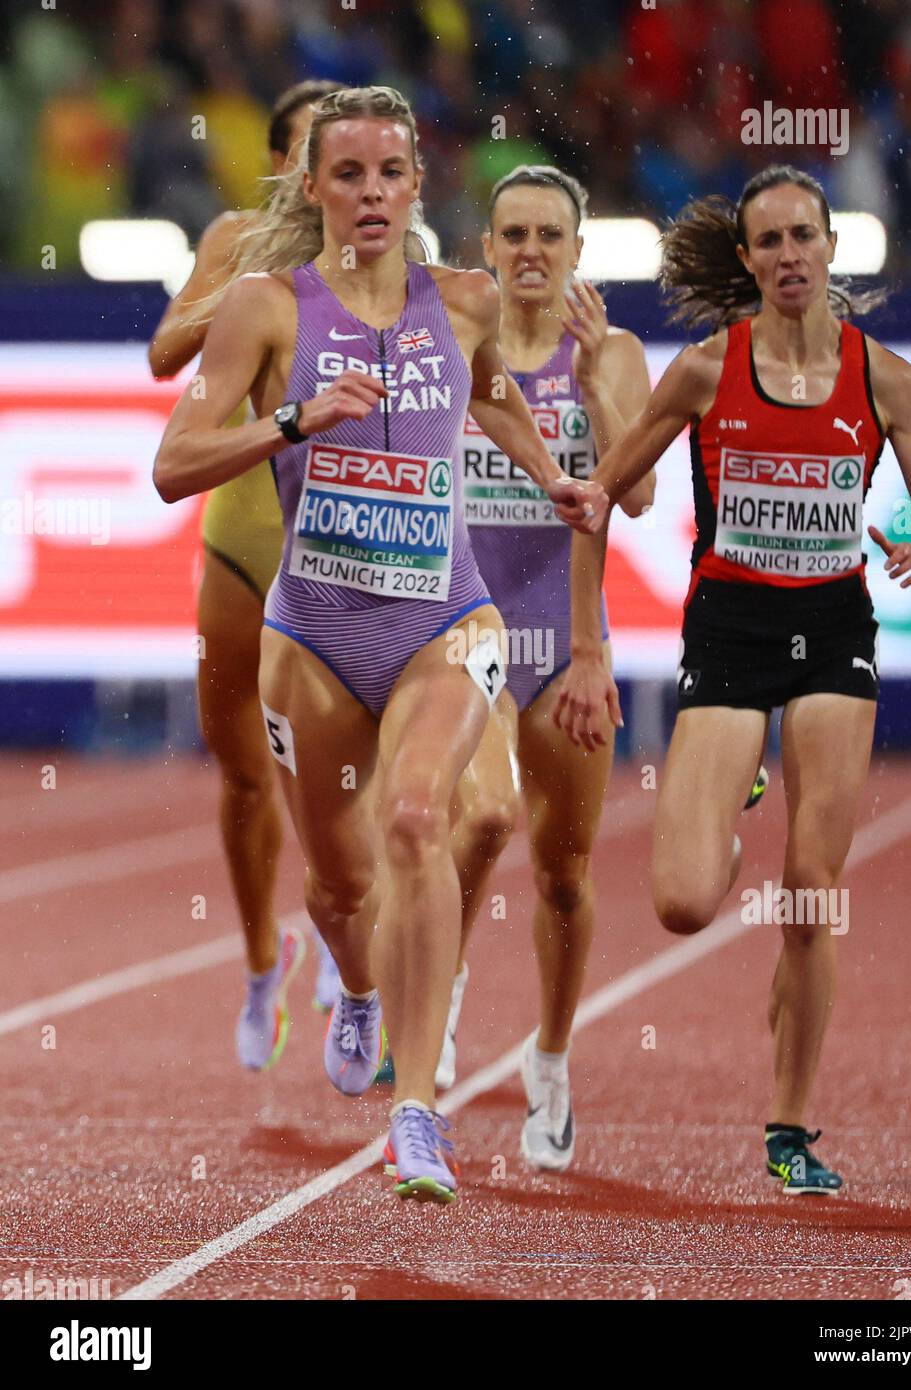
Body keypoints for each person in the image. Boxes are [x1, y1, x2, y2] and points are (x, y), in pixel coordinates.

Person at [152, 86, 607, 1204]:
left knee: (417, 818)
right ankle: (353, 989)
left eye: (389, 174)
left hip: (441, 621)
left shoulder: (460, 301)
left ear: (417, 186)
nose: (370, 194)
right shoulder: (267, 307)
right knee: (342, 893)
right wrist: (295, 422)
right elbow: (174, 462)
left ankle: (417, 1115)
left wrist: (552, 474)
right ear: (312, 188)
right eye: (346, 174)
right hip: (312, 631)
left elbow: (496, 395)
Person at [555, 165, 911, 1194]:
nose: (789, 255)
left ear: (833, 249)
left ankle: (791, 1129)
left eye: (804, 236)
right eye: (770, 242)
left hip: (834, 629)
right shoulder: (703, 370)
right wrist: (587, 626)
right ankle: (733, 791)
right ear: (747, 262)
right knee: (688, 901)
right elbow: (602, 498)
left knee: (812, 895)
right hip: (733, 631)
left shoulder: (886, 378)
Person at [436, 165, 654, 1171]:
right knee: (479, 821)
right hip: (464, 628)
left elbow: (638, 498)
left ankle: (552, 1063)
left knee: (564, 878)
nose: (529, 251)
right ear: (485, 249)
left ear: (577, 253)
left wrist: (594, 381)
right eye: (512, 234)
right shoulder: (447, 346)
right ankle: (437, 994)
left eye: (548, 237)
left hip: (566, 639)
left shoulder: (611, 356)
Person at [149, 80, 350, 1073]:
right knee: (242, 771)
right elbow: (163, 353)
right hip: (244, 529)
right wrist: (243, 293)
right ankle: (261, 963)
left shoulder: (391, 252)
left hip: (346, 539)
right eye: (322, 152)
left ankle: (342, 927)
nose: (344, 177)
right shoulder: (235, 237)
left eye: (362, 159)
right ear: (286, 163)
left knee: (335, 764)